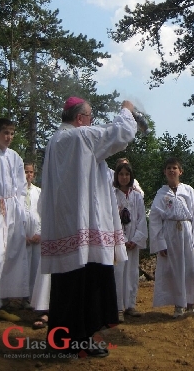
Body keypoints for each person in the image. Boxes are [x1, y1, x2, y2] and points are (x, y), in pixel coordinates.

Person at [41, 97, 137, 358]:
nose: (92, 121)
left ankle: (59, 341)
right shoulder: (81, 137)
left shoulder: (55, 140)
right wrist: (126, 110)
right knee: (85, 285)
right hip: (85, 225)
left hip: (64, 225)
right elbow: (121, 132)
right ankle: (80, 340)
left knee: (64, 288)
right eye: (90, 116)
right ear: (80, 119)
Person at [149, 157, 194, 318]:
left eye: (174, 168)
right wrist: (159, 243)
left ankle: (191, 304)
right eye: (168, 168)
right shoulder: (161, 194)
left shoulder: (188, 191)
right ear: (164, 172)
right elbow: (154, 219)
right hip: (169, 234)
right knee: (173, 270)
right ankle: (178, 305)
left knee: (191, 269)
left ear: (180, 171)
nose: (171, 170)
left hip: (186, 232)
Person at [0, 118, 29, 326]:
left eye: (12, 133)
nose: (9, 137)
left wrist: (19, 209)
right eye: (5, 133)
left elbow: (21, 187)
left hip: (11, 210)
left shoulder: (15, 157)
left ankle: (0, 302)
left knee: (10, 254)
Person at [113, 159, 148, 322]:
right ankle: (118, 308)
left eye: (127, 174)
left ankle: (130, 305)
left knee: (132, 273)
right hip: (118, 242)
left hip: (133, 241)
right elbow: (111, 219)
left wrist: (135, 239)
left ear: (131, 176)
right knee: (118, 273)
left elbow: (142, 219)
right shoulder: (112, 195)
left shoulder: (137, 197)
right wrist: (123, 239)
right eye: (121, 174)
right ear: (117, 176)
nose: (124, 177)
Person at [23, 161, 41, 308]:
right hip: (22, 235)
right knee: (23, 266)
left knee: (35, 266)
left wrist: (39, 233)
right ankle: (21, 296)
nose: (28, 175)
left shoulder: (38, 191)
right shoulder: (17, 192)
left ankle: (33, 298)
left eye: (31, 172)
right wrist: (21, 235)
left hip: (36, 234)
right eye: (26, 172)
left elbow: (42, 213)